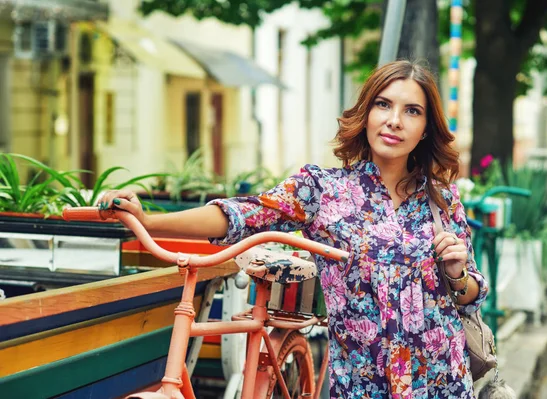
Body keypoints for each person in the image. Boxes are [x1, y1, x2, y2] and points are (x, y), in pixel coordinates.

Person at [99, 60, 488, 399]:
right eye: (383, 104)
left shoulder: (441, 199)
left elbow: (471, 293)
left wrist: (457, 276)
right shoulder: (323, 190)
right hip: (361, 382)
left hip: (439, 377)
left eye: (412, 111)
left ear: (425, 129)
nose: (394, 120)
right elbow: (242, 215)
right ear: (365, 114)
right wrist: (148, 220)